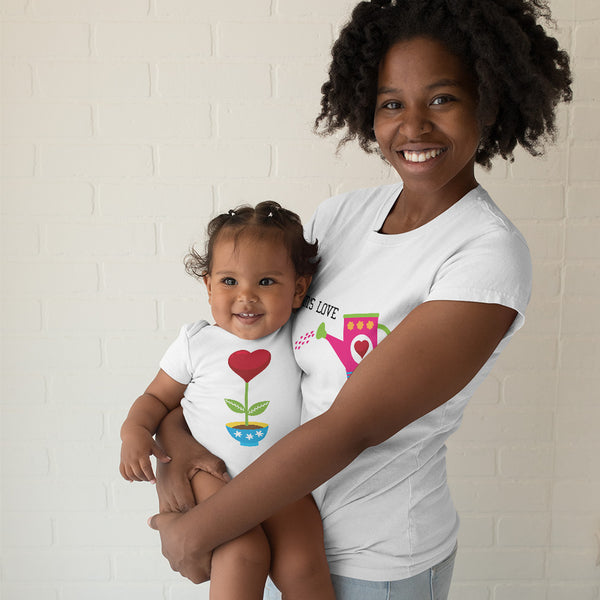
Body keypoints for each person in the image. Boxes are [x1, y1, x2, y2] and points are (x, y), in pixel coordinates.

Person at [148, 1, 573, 598]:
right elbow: (240, 348)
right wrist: (177, 444)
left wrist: (196, 531)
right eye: (392, 103)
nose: (414, 125)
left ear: (489, 100)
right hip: (280, 527)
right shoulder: (341, 216)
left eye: (442, 98)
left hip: (380, 559)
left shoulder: (485, 255)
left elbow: (351, 426)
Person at [119, 201, 336, 600]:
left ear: (298, 289)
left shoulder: (301, 338)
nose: (246, 297)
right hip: (214, 476)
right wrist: (134, 430)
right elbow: (156, 397)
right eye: (229, 281)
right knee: (242, 553)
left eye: (267, 282)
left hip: (282, 477)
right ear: (208, 286)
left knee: (303, 565)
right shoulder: (196, 343)